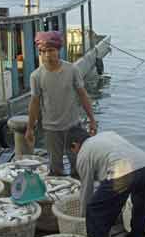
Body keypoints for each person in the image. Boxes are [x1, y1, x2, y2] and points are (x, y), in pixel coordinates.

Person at [66, 127, 145, 237]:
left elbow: (86, 190)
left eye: (73, 151)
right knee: (141, 205)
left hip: (123, 172)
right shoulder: (107, 134)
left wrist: (85, 216)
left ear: (75, 145)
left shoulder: (83, 154)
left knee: (94, 210)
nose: (75, 154)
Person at [25, 31, 97, 176]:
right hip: (51, 129)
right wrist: (30, 128)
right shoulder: (36, 76)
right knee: (55, 168)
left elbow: (83, 95)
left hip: (73, 126)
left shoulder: (72, 70)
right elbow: (34, 103)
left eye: (51, 50)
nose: (47, 55)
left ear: (58, 50)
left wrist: (92, 120)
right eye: (42, 51)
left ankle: (79, 195)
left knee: (78, 165)